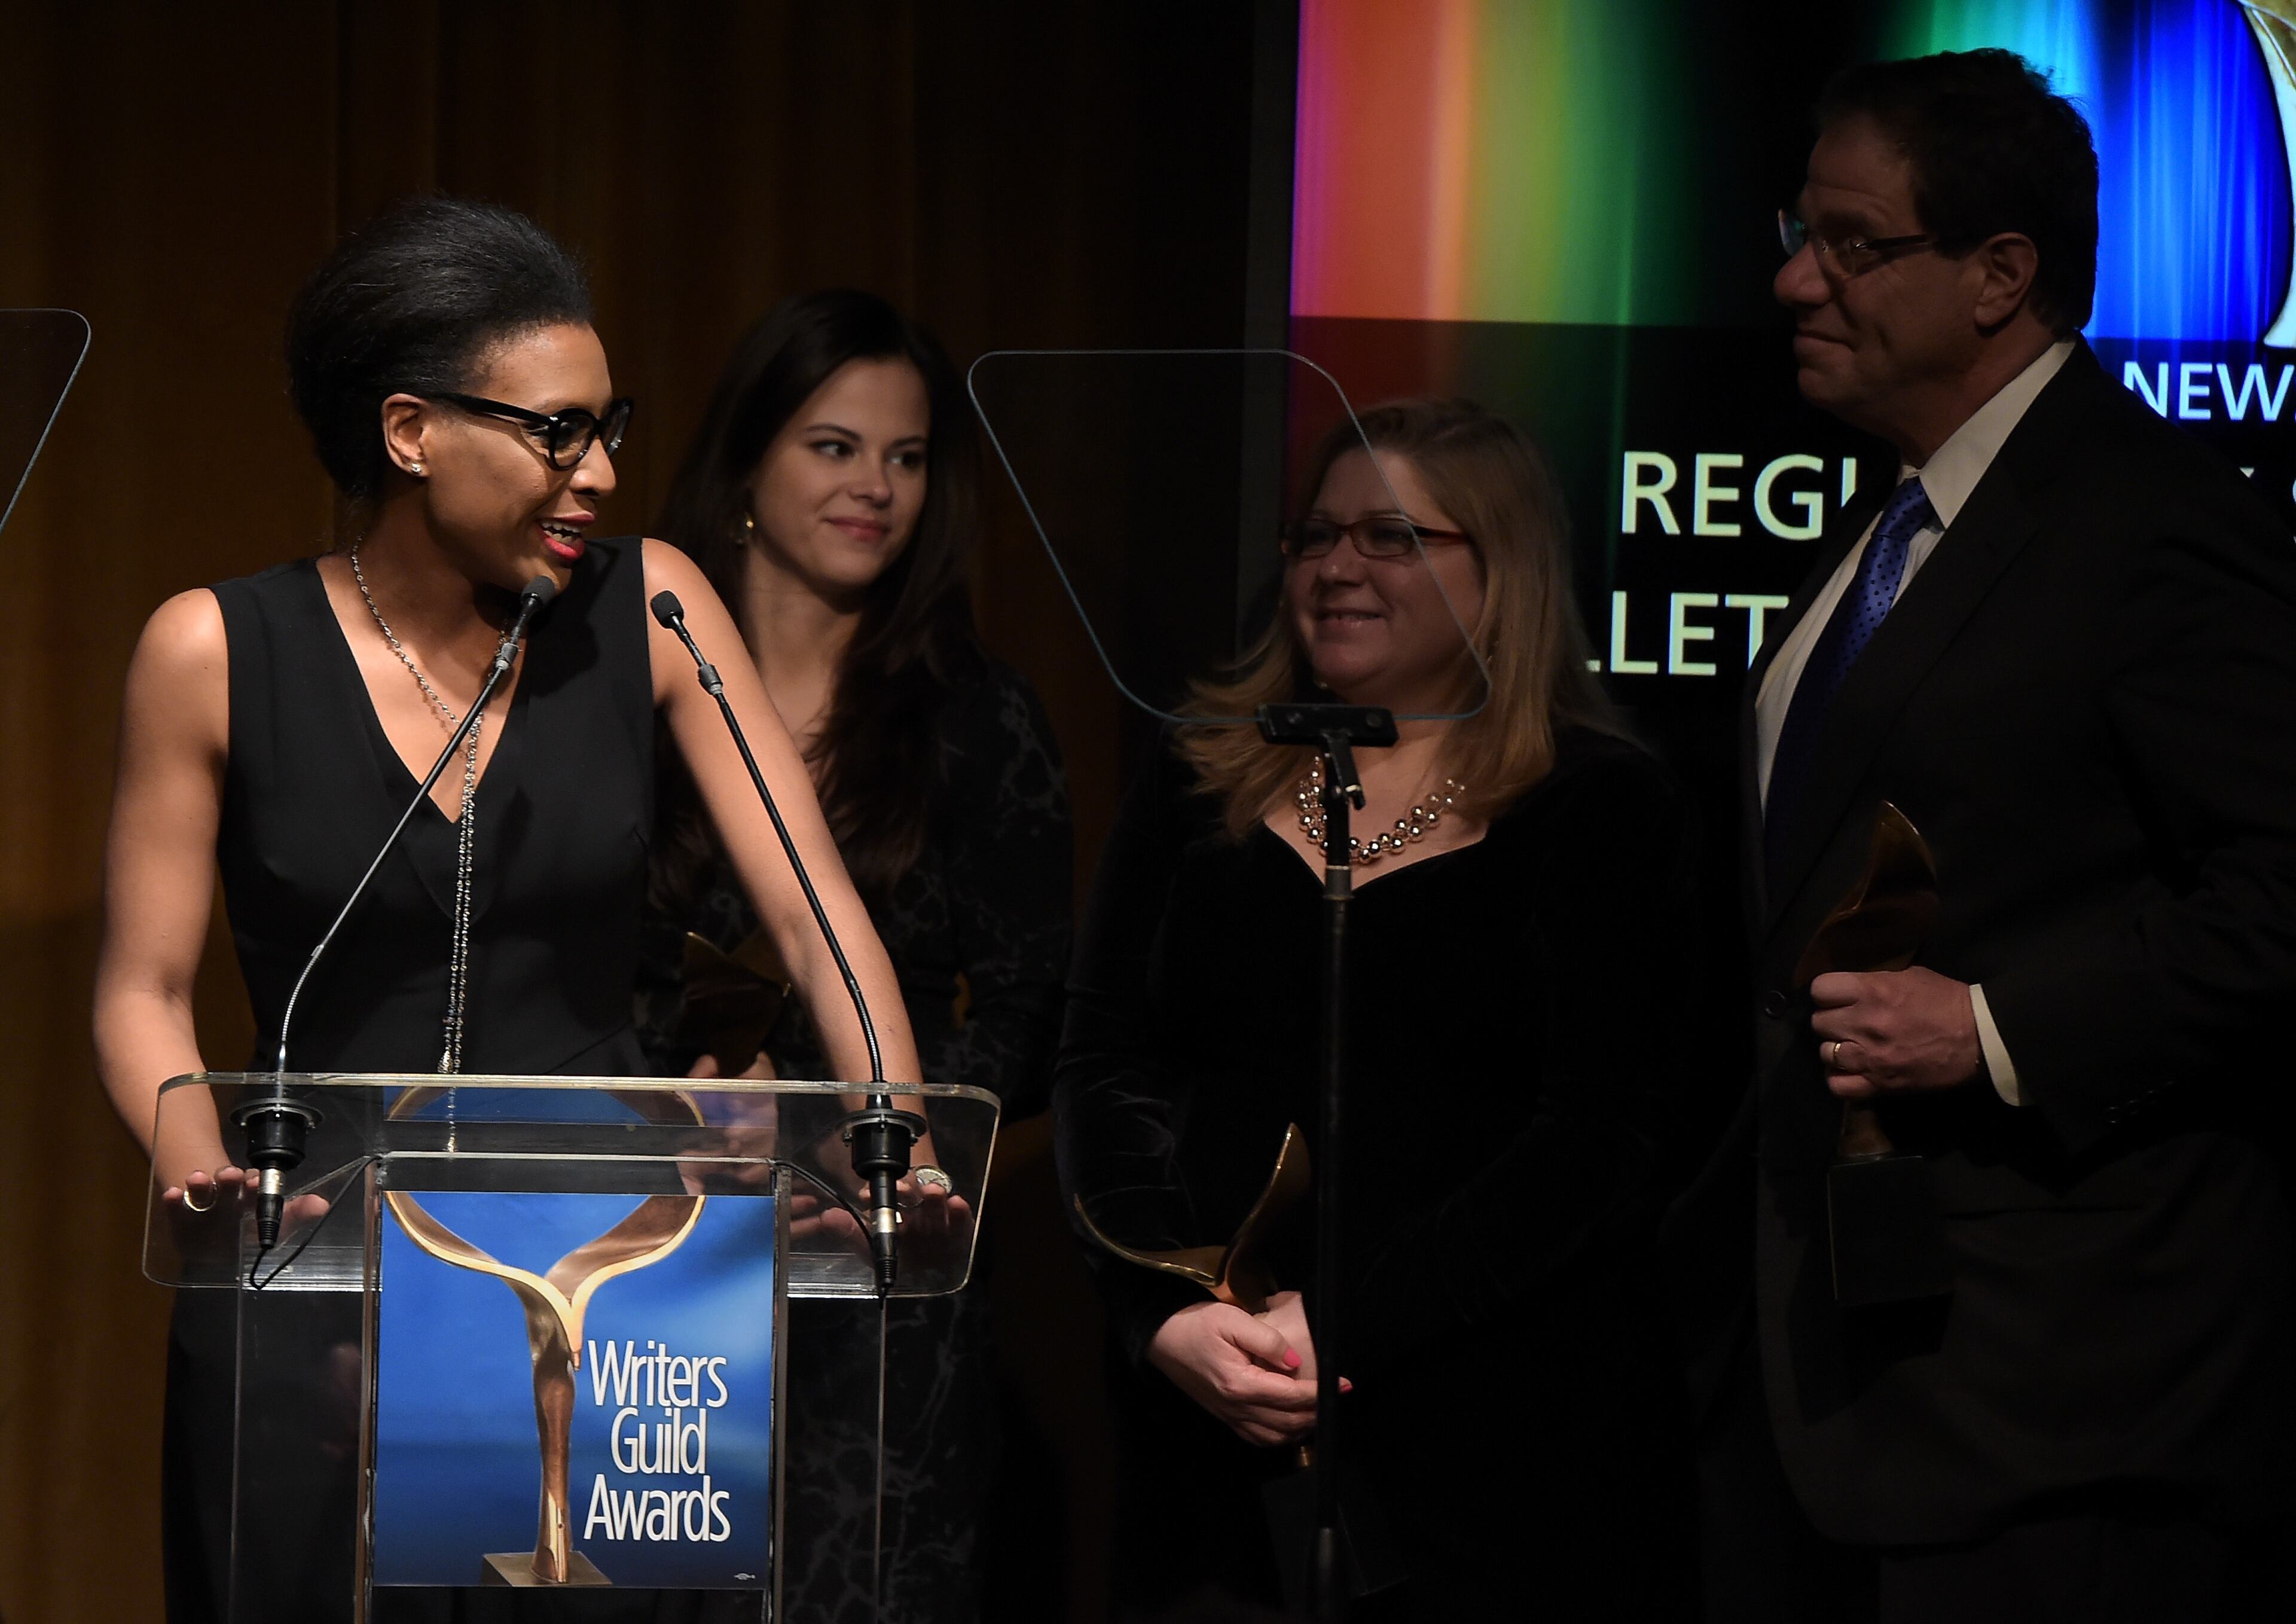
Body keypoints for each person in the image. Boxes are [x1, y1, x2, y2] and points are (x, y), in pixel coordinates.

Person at [91, 199, 927, 1623]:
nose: (601, 471)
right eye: (559, 433)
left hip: (609, 1278)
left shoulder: (655, 608)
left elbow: (811, 908)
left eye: (610, 427)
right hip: (318, 1276)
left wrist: (889, 1130)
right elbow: (141, 985)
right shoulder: (214, 646)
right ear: (409, 430)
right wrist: (203, 1172)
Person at [1677, 50, 2296, 1622]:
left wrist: (1998, 1026)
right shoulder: (1886, 521)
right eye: (1797, 228)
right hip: (1829, 1377)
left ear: (2000, 276)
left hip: (2055, 1403)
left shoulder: (2159, 524)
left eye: (1853, 243)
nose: (1794, 277)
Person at [1053, 398, 1699, 1619]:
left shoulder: (1603, 806)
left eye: (1395, 536)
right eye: (1317, 535)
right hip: (1219, 1414)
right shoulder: (1201, 779)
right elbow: (1104, 1060)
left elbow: (1602, 1137)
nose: (1339, 566)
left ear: (1499, 569)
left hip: (1503, 1434)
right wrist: (1165, 1309)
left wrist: (1348, 1322)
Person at [634, 290, 1071, 1623]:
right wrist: (683, 1097)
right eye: (835, 446)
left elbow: (1034, 1009)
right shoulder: (614, 695)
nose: (876, 486)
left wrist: (866, 1130)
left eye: (908, 455)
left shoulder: (977, 716)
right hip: (645, 1247)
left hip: (876, 1262)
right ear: (748, 465)